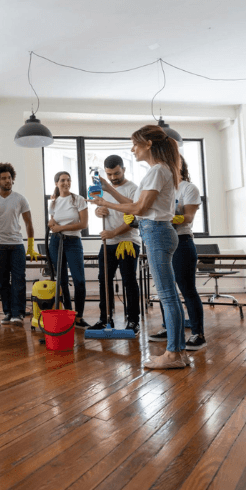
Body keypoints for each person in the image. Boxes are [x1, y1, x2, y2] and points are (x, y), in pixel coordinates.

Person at [89, 125, 186, 369]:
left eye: (135, 144)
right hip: (159, 232)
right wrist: (109, 191)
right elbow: (136, 203)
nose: (132, 149)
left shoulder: (157, 171)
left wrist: (105, 203)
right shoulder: (161, 170)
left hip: (156, 232)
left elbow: (140, 209)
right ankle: (178, 352)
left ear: (148, 144)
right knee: (170, 296)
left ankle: (173, 355)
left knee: (167, 296)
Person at [148, 158, 205, 349]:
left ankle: (198, 334)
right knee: (166, 289)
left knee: (187, 289)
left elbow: (188, 217)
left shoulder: (188, 188)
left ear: (179, 166)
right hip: (161, 240)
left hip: (182, 241)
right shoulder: (161, 187)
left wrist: (165, 218)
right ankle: (169, 328)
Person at [0, 163, 40, 325]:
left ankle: (18, 313)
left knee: (19, 278)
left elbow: (29, 223)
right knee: (3, 280)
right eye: (4, 178)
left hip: (16, 245)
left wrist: (30, 246)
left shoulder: (20, 198)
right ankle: (7, 312)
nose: (8, 181)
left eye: (10, 178)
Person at [91, 154, 141, 333]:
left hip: (127, 242)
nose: (113, 178)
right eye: (109, 174)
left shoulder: (133, 188)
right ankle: (105, 319)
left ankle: (133, 320)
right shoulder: (102, 190)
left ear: (124, 169)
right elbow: (101, 209)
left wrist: (113, 232)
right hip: (108, 243)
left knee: (129, 281)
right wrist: (99, 211)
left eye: (116, 173)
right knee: (104, 281)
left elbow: (134, 212)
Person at [46, 170, 90, 328]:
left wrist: (60, 228)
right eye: (62, 180)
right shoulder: (53, 202)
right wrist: (52, 225)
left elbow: (83, 224)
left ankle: (78, 316)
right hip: (56, 242)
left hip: (73, 242)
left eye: (68, 180)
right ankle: (68, 314)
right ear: (56, 183)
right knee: (62, 281)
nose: (66, 183)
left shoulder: (77, 200)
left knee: (79, 280)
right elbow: (52, 224)